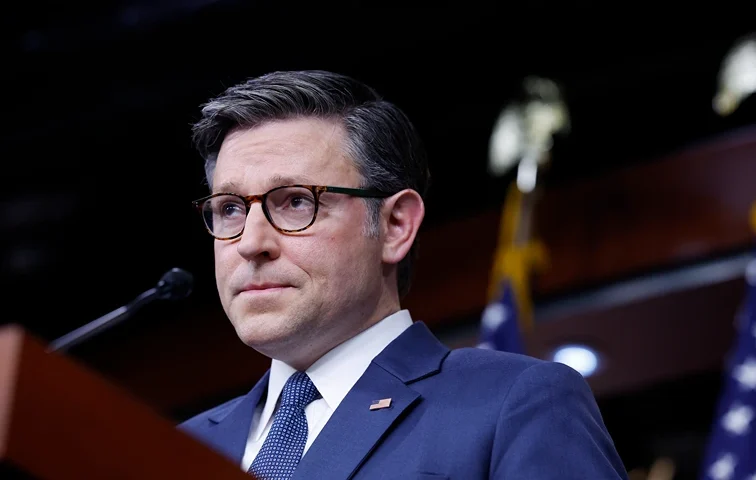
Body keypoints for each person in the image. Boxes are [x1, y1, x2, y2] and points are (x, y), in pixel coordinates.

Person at [178, 69, 628, 479]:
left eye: (296, 201)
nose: (250, 242)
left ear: (395, 226)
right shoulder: (177, 448)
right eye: (230, 209)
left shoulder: (513, 404)